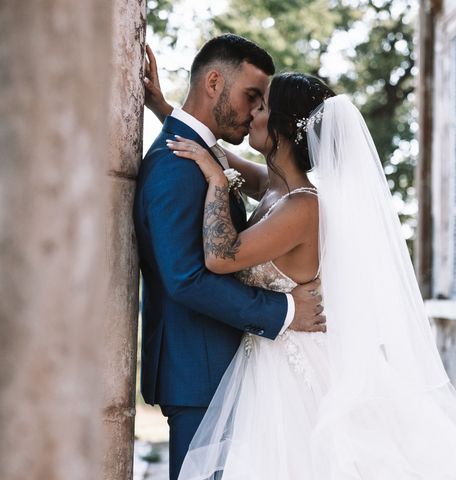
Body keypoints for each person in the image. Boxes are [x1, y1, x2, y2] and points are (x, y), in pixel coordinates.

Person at [148, 60, 456, 477]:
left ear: (284, 131)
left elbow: (220, 256)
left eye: (262, 107)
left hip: (291, 368)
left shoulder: (302, 206)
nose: (252, 112)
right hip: (267, 358)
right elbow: (220, 155)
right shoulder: (276, 188)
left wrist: (217, 184)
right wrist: (167, 110)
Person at [134, 35, 326, 480]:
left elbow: (228, 168)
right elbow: (186, 277)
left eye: (263, 104)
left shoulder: (276, 188)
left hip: (239, 367)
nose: (256, 112)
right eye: (251, 97)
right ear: (215, 82)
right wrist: (285, 310)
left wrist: (173, 116)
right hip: (201, 371)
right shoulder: (177, 164)